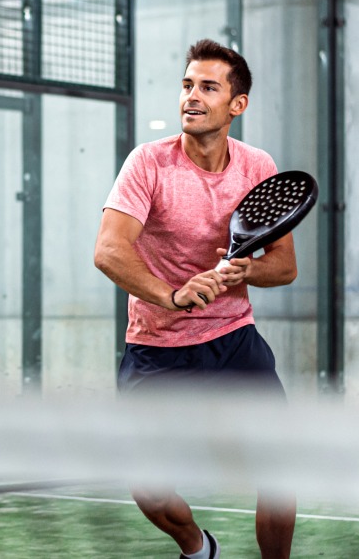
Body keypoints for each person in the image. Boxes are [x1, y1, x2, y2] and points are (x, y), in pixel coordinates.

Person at [93, 39, 298, 559]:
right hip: (156, 348)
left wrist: (243, 271)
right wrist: (172, 294)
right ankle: (197, 547)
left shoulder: (257, 166)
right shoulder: (148, 164)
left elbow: (285, 266)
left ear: (237, 104)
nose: (192, 96)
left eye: (208, 87)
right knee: (150, 488)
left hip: (233, 342)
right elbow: (109, 250)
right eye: (187, 85)